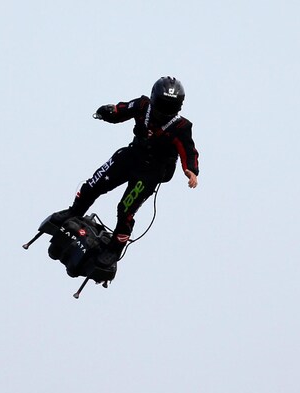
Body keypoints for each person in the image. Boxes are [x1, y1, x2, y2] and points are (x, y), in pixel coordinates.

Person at [50, 76, 200, 268]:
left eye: (171, 107)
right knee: (93, 184)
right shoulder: (142, 105)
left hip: (151, 172)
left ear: (179, 106)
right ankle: (74, 212)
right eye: (162, 105)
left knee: (125, 210)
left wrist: (191, 171)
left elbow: (189, 151)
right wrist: (108, 112)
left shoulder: (182, 127)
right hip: (131, 156)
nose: (165, 111)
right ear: (154, 99)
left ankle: (114, 248)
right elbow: (121, 110)